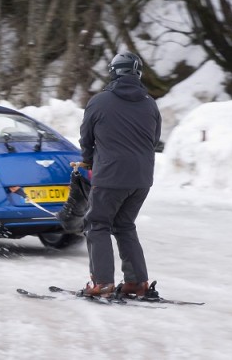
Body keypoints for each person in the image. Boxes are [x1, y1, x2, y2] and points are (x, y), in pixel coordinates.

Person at [78, 51, 162, 297]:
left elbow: (86, 137)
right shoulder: (149, 103)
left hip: (110, 176)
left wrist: (87, 160)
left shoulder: (100, 101)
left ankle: (102, 283)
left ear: (113, 71)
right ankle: (137, 283)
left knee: (97, 224)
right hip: (142, 178)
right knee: (124, 225)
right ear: (138, 73)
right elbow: (154, 140)